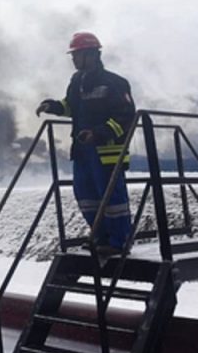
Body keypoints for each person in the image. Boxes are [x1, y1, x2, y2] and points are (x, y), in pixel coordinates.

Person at [37, 32, 136, 258]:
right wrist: (52, 106)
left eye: (77, 55)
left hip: (108, 152)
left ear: (91, 55)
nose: (73, 59)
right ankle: (100, 237)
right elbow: (70, 106)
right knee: (85, 195)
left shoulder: (115, 83)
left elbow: (126, 116)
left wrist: (98, 133)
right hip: (82, 151)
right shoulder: (77, 82)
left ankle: (119, 241)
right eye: (73, 55)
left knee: (112, 198)